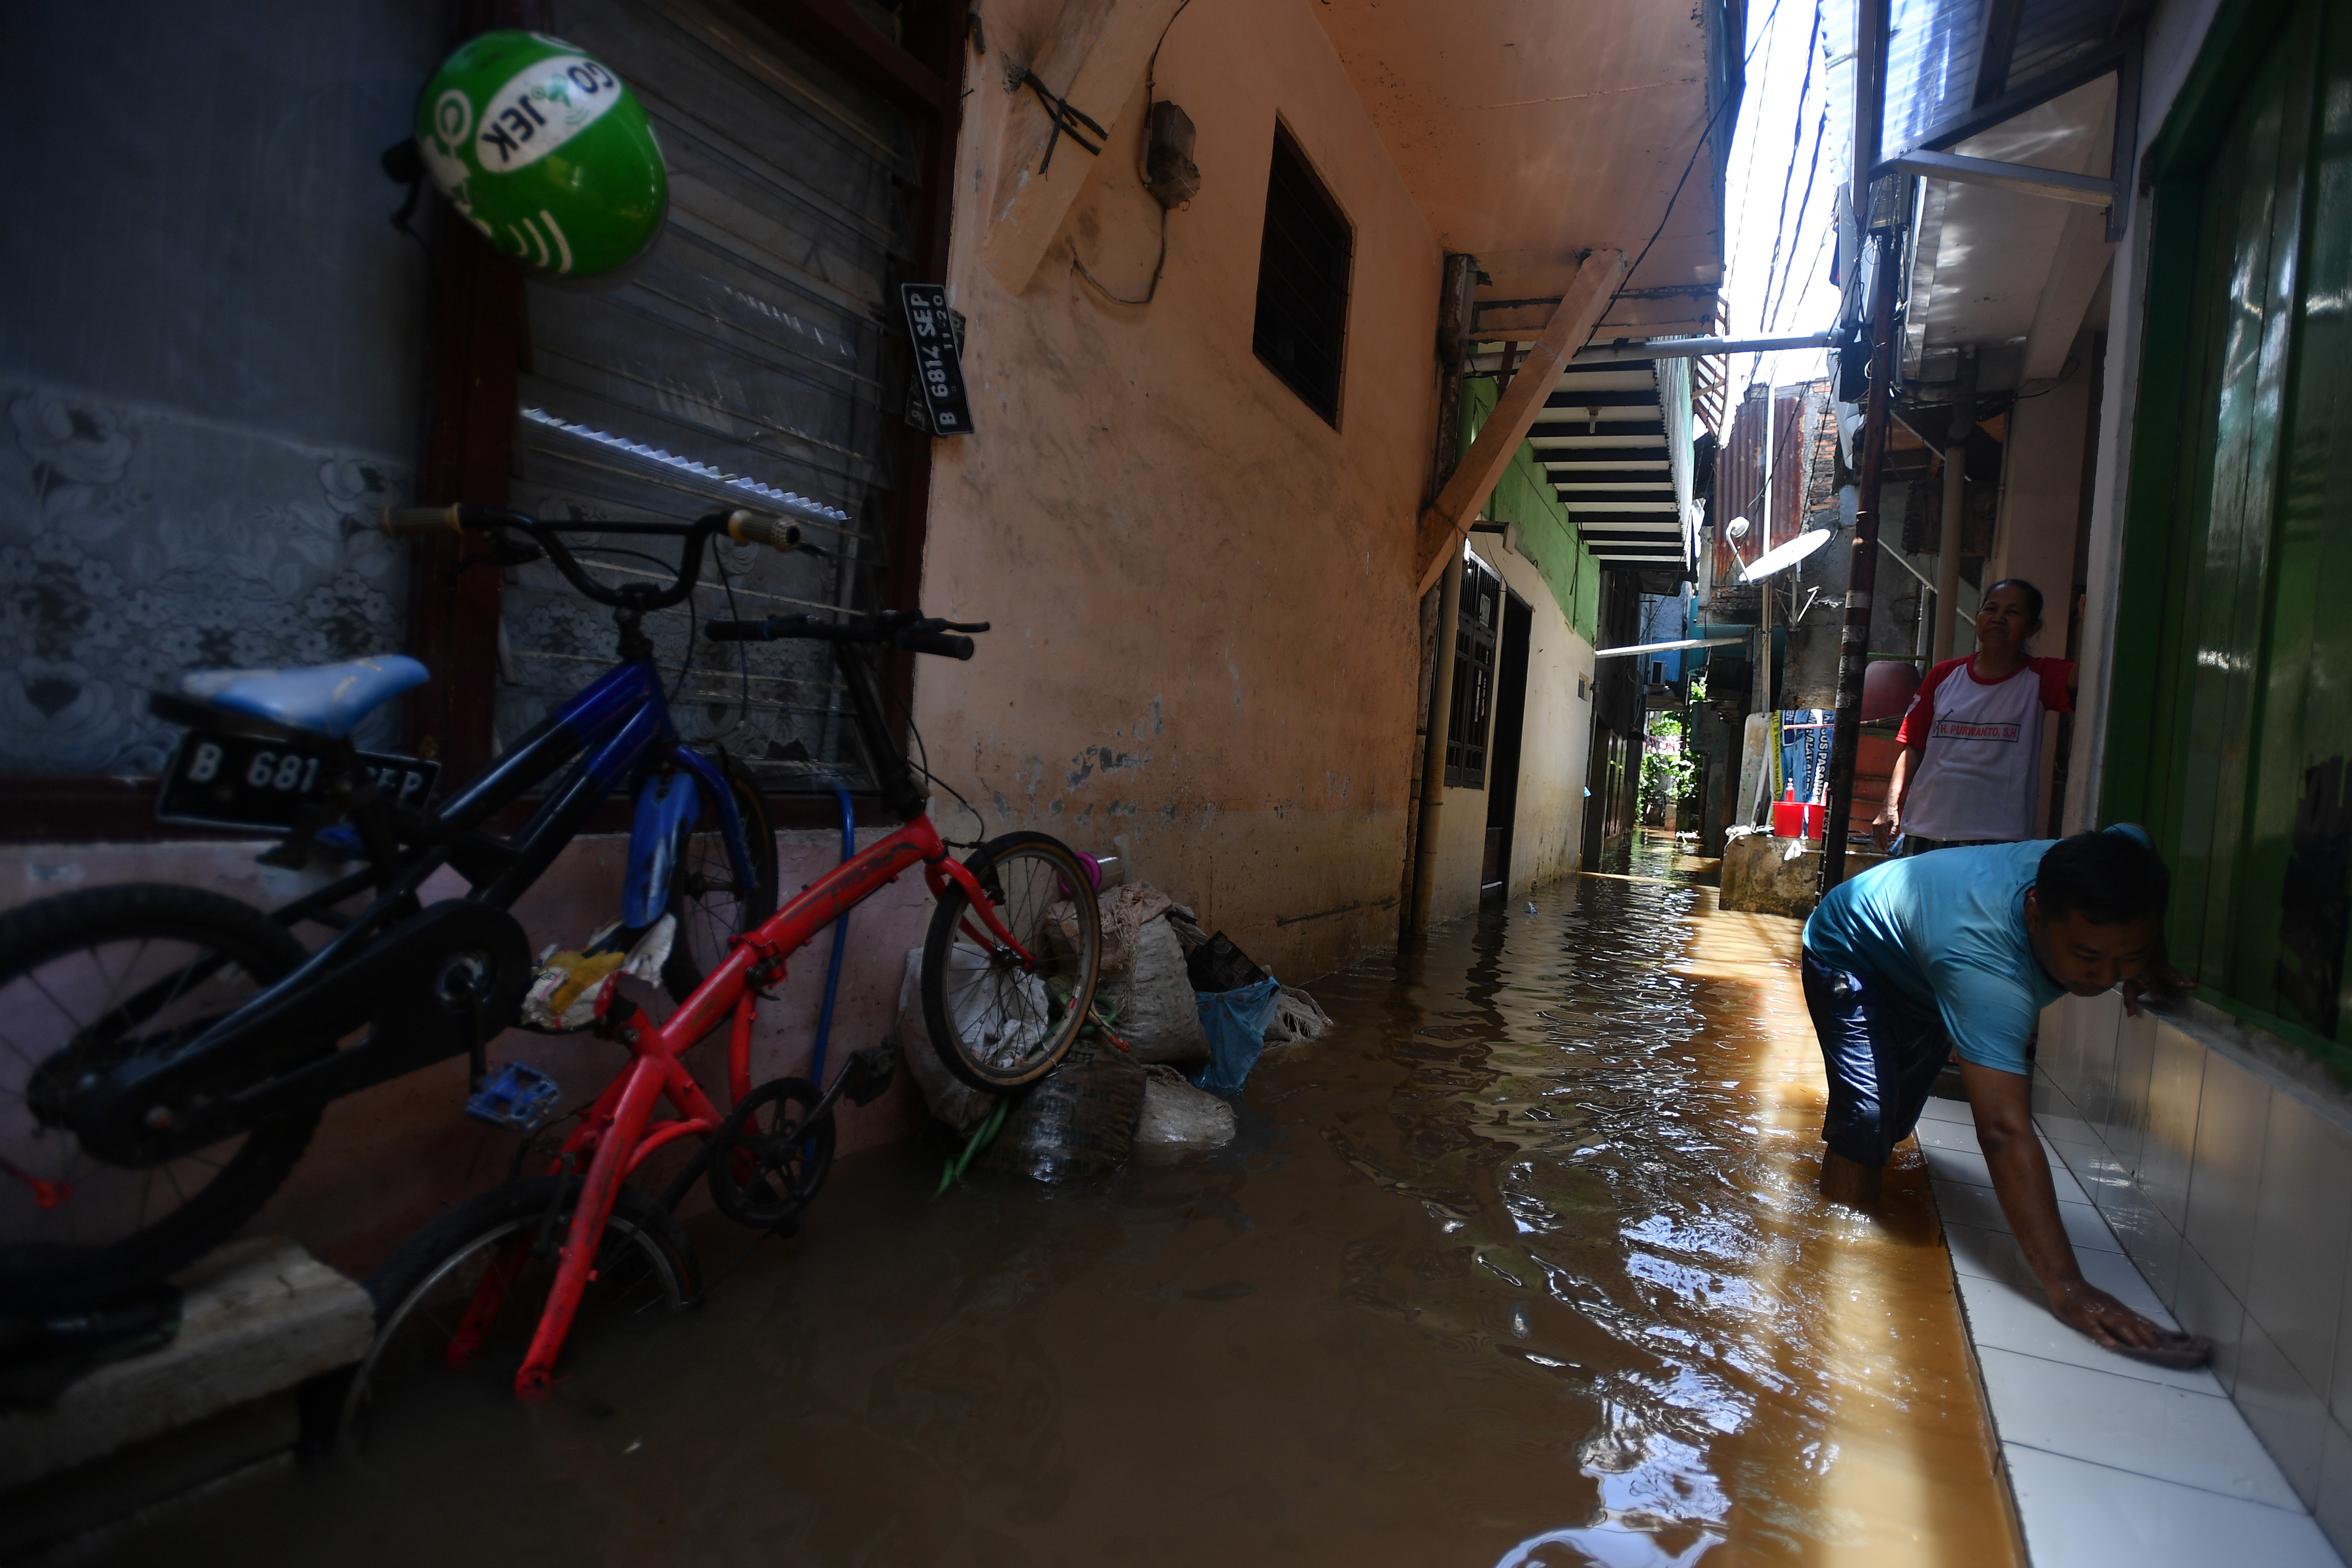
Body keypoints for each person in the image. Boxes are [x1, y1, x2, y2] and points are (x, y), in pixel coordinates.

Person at [1802, 824, 2206, 1363]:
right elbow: (2002, 1131)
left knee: (1895, 1125)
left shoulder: (2116, 860)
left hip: (1922, 962)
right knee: (1868, 1122)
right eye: (2089, 956)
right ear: (2036, 915)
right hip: (1849, 949)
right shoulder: (1987, 971)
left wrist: (2148, 965)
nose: (2108, 976)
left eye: (2126, 957)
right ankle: (1836, 1262)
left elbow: (2133, 838)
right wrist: (2068, 1286)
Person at [1874, 579, 2073, 854]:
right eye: (1991, 609)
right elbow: (1914, 746)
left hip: (1999, 839)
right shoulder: (1944, 675)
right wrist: (1889, 804)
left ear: (2033, 627)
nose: (1999, 619)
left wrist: (2095, 624)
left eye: (2013, 613)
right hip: (1925, 830)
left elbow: (2085, 679)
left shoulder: (2040, 678)